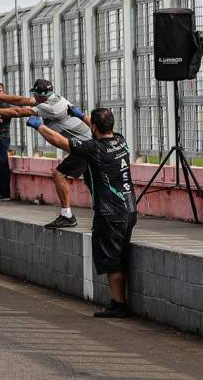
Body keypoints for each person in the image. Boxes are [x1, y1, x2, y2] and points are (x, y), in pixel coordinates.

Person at [28, 107, 137, 318]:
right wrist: (79, 116)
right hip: (129, 209)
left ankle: (118, 304)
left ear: (93, 127)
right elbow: (97, 126)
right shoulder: (121, 141)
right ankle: (119, 302)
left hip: (109, 212)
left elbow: (61, 142)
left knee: (112, 259)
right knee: (120, 256)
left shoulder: (94, 148)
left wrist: (39, 125)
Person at [0, 78, 92, 228]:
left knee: (59, 174)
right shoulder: (53, 97)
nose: (33, 98)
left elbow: (19, 111)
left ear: (40, 95)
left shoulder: (49, 107)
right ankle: (101, 215)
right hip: (86, 144)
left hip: (83, 146)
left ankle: (67, 215)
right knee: (93, 182)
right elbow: (21, 100)